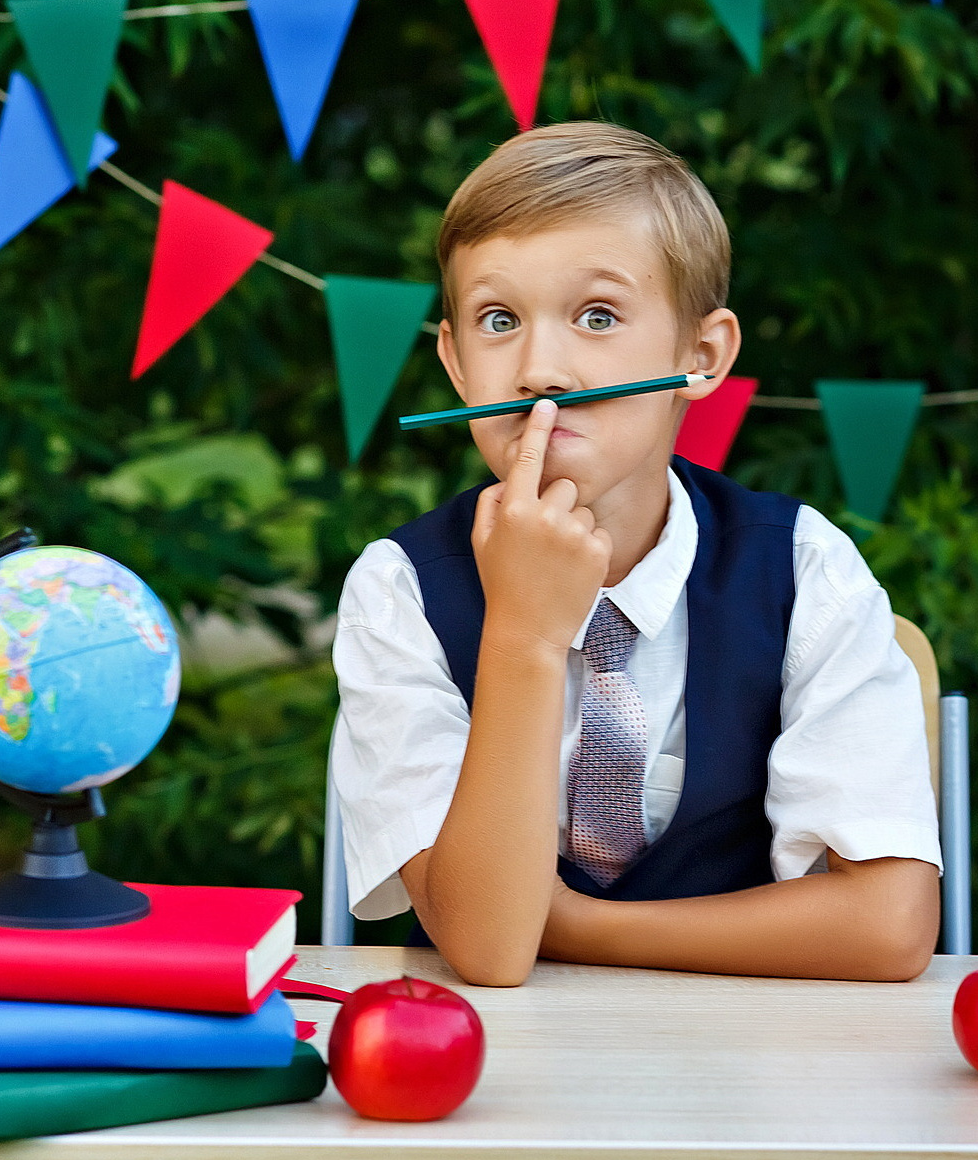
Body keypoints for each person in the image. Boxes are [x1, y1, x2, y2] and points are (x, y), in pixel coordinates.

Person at [329, 121, 941, 988]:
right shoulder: (399, 590)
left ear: (701, 355)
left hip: (753, 1069)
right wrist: (525, 638)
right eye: (498, 320)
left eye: (598, 315)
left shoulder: (803, 568)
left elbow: (886, 928)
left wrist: (574, 924)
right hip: (489, 1075)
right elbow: (490, 948)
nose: (541, 368)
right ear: (456, 364)